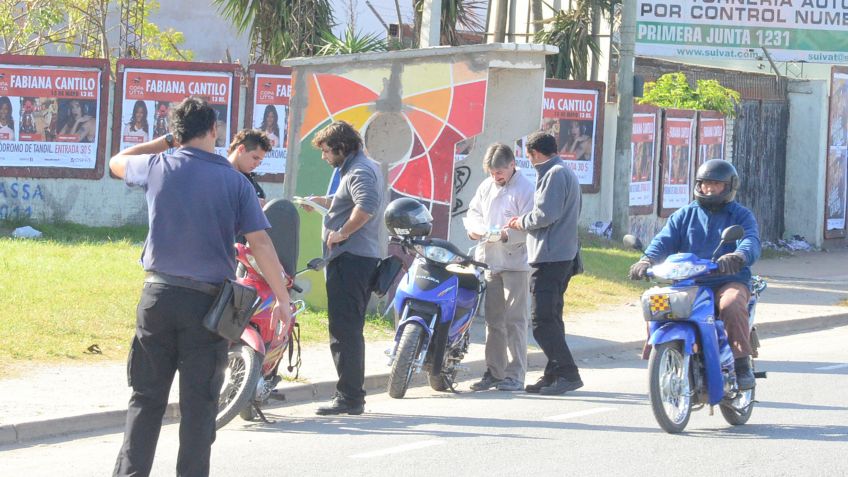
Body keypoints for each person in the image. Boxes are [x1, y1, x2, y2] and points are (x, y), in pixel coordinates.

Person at [110, 96, 292, 477]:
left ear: (177, 133)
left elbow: (116, 161)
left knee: (145, 399)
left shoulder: (159, 164)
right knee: (199, 407)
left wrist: (165, 142)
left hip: (157, 297)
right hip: (209, 308)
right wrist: (282, 298)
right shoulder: (236, 183)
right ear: (214, 131)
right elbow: (260, 243)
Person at [629, 159, 761, 390]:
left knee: (730, 304)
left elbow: (750, 240)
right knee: (657, 302)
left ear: (729, 187)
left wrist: (738, 256)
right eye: (705, 184)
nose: (709, 189)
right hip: (689, 283)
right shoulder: (684, 214)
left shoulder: (740, 215)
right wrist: (646, 259)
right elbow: (664, 240)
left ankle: (741, 365)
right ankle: (659, 350)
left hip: (727, 280)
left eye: (716, 185)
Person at [302, 120, 384, 415]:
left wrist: (343, 232)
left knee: (345, 330)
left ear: (341, 147)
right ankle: (350, 394)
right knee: (347, 328)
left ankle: (350, 397)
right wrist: (321, 202)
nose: (324, 157)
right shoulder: (355, 168)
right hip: (352, 259)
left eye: (326, 151)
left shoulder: (360, 169)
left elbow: (367, 205)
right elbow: (348, 201)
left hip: (351, 259)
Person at [506, 131, 584, 395]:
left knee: (541, 320)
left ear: (535, 154)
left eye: (528, 156)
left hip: (551, 256)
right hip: (559, 254)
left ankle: (568, 373)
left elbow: (545, 214)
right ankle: (552, 374)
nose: (529, 161)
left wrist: (520, 221)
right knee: (553, 318)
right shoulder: (562, 171)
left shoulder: (554, 174)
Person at [464, 143, 535, 392]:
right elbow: (473, 212)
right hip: (491, 260)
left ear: (512, 165)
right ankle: (495, 371)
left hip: (517, 262)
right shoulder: (486, 187)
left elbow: (531, 225)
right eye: (493, 173)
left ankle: (516, 374)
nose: (497, 177)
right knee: (493, 320)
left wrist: (507, 236)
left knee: (515, 320)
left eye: (501, 171)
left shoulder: (526, 189)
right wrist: (474, 229)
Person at [227, 128, 273, 207]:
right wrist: (249, 201)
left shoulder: (251, 183)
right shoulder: (218, 175)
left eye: (260, 161)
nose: (257, 164)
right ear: (241, 149)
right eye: (255, 158)